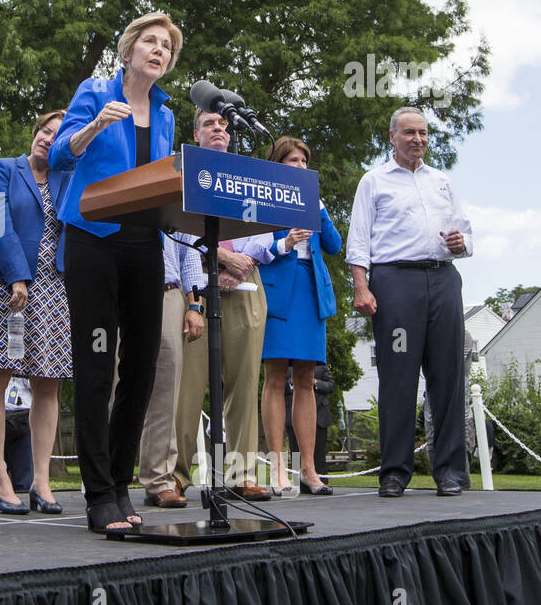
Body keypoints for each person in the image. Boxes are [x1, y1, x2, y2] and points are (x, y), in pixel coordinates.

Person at [48, 11, 182, 534]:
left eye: (165, 47)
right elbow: (61, 155)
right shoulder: (95, 91)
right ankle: (98, 493)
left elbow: (163, 178)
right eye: (148, 42)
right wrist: (94, 126)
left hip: (145, 242)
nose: (157, 50)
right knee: (98, 364)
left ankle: (121, 483)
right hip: (93, 240)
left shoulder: (167, 115)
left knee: (143, 367)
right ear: (128, 52)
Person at [347, 107, 472, 497]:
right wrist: (361, 287)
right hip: (396, 283)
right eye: (409, 133)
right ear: (392, 137)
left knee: (449, 376)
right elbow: (359, 239)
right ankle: (395, 472)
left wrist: (461, 243)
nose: (417, 139)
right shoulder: (374, 181)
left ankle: (451, 472)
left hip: (443, 280)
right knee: (399, 378)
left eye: (423, 133)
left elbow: (465, 233)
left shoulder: (442, 182)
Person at [0, 111, 72, 514]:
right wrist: (17, 277)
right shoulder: (3, 169)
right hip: (8, 290)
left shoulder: (69, 178)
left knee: (48, 384)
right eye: (45, 131)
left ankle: (41, 482)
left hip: (54, 291)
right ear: (34, 134)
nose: (48, 139)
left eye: (57, 136)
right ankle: (0, 480)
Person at [174, 109, 275, 501]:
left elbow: (262, 228)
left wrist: (237, 261)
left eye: (224, 125)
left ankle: (240, 474)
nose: (219, 129)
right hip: (196, 285)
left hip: (245, 284)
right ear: (195, 134)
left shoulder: (247, 175)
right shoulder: (184, 172)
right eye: (210, 124)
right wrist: (217, 259)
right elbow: (176, 229)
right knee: (188, 387)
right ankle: (177, 477)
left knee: (245, 383)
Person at [258, 135, 341, 496]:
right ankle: (278, 468)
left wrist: (319, 206)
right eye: (293, 161)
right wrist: (286, 241)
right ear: (279, 164)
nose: (301, 167)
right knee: (276, 376)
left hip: (310, 290)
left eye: (305, 162)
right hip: (279, 288)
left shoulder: (313, 201)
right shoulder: (265, 196)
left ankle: (308, 468)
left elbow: (334, 245)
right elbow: (258, 245)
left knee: (306, 378)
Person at [130, 234, 206, 509]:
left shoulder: (178, 198)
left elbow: (191, 254)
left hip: (169, 292)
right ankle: (110, 477)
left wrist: (195, 305)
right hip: (125, 288)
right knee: (117, 386)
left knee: (166, 390)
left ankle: (159, 479)